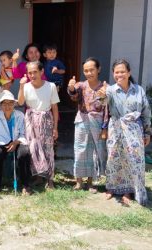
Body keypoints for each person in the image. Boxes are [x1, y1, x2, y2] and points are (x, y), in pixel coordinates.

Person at [105, 59, 151, 206]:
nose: (120, 74)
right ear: (113, 74)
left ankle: (129, 190)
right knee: (114, 158)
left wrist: (147, 132)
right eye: (116, 72)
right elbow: (101, 103)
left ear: (129, 72)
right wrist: (101, 95)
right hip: (116, 128)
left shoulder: (139, 90)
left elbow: (146, 113)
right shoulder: (110, 90)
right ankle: (112, 187)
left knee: (133, 159)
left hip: (134, 130)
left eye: (122, 71)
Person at [67, 57, 107, 193]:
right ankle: (79, 181)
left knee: (94, 151)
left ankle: (91, 182)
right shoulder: (81, 85)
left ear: (98, 69)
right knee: (80, 149)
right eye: (86, 70)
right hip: (82, 120)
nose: (89, 73)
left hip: (97, 122)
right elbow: (74, 96)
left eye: (91, 70)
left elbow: (106, 107)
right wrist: (71, 88)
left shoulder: (105, 87)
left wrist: (103, 96)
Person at [18, 61, 59, 189]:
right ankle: (37, 176)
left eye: (35, 72)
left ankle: (49, 179)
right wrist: (21, 86)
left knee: (48, 149)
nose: (32, 75)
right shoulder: (26, 86)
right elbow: (20, 102)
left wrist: (55, 128)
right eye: (30, 72)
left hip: (46, 119)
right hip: (30, 120)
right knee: (33, 148)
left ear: (41, 72)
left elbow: (55, 108)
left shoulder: (50, 86)